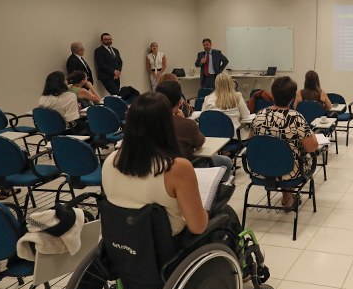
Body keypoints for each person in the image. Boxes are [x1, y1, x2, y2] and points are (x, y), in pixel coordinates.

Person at [101, 92, 240, 245]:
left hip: (121, 241)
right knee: (226, 213)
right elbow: (198, 227)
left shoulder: (110, 161)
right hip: (165, 249)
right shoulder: (175, 167)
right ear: (168, 125)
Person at [250, 76, 318, 209]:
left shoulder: (260, 115)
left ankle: (287, 196)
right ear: (293, 97)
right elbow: (311, 147)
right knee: (299, 155)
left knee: (278, 154)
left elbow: (252, 140)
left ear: (273, 94)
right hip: (289, 171)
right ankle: (288, 195)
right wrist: (312, 134)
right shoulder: (296, 118)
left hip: (260, 168)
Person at [155, 81, 233, 181]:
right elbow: (199, 143)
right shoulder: (187, 125)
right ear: (180, 102)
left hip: (156, 170)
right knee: (226, 162)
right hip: (185, 170)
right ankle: (212, 194)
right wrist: (184, 120)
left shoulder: (145, 123)